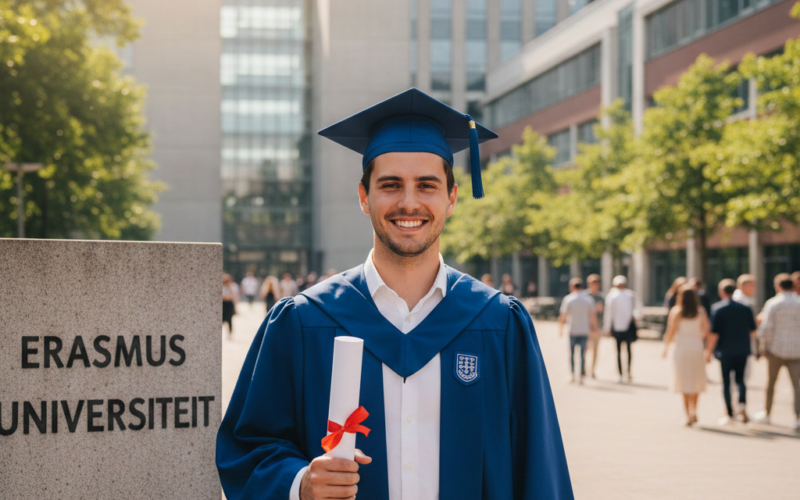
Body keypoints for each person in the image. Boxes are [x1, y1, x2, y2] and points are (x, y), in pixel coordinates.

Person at [216, 88, 573, 500]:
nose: (409, 202)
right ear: (364, 197)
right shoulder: (301, 322)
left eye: (426, 185)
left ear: (451, 198)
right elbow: (247, 450)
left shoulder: (498, 324)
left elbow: (540, 471)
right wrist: (300, 484)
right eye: (390, 185)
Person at [753, 273, 800, 430]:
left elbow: (766, 328)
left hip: (776, 349)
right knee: (797, 385)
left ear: (778, 287)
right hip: (796, 350)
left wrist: (762, 348)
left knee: (771, 382)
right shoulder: (798, 302)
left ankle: (767, 413)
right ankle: (798, 417)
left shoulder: (773, 303)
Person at [706, 279, 757, 425]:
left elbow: (714, 334)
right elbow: (752, 331)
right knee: (741, 380)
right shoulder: (745, 308)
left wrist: (708, 352)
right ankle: (742, 404)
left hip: (725, 351)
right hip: (742, 350)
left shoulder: (718, 309)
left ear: (722, 292)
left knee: (726, 382)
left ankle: (729, 413)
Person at [662, 285, 708, 426]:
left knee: (683, 380)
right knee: (696, 379)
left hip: (682, 346)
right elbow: (706, 330)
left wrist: (666, 347)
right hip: (696, 345)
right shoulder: (700, 311)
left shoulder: (676, 311)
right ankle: (694, 410)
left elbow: (671, 331)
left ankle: (688, 414)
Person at [604, 275, 642, 383]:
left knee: (619, 351)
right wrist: (636, 317)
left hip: (618, 327)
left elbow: (608, 314)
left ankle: (621, 374)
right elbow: (639, 309)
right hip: (627, 326)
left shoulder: (613, 296)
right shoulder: (630, 295)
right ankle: (627, 372)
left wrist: (607, 327)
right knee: (627, 350)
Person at [559, 278, 597, 384]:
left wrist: (561, 329)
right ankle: (581, 376)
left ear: (572, 287)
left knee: (571, 354)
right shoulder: (588, 299)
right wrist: (594, 327)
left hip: (573, 330)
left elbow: (563, 315)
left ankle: (572, 375)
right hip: (584, 330)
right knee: (582, 354)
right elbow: (593, 315)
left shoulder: (569, 299)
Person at [586, 274, 604, 379]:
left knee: (595, 350)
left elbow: (603, 311)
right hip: (586, 327)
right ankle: (583, 368)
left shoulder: (601, 297)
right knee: (585, 349)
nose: (595, 285)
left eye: (597, 283)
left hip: (598, 327)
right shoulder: (585, 296)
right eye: (593, 283)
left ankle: (592, 370)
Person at [222, 273, 237, 339]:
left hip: (229, 305)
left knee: (229, 320)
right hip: (223, 304)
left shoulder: (232, 287)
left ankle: (229, 334)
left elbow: (231, 296)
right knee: (222, 320)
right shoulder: (221, 287)